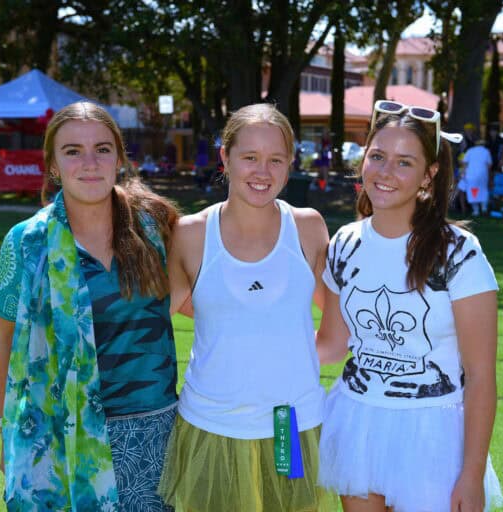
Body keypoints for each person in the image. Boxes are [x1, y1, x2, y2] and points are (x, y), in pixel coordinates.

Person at [0, 102, 179, 511]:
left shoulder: (156, 226)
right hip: (59, 433)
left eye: (103, 149)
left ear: (119, 158)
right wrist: (9, 429)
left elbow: (205, 300)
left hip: (156, 434)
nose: (89, 163)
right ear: (53, 165)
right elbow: (0, 338)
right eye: (73, 150)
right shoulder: (26, 242)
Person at [316, 101, 503, 512]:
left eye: (404, 162)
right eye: (378, 156)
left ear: (429, 175)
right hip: (357, 421)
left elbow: (480, 376)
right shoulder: (343, 243)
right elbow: (331, 344)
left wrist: (471, 473)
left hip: (432, 433)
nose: (385, 173)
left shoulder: (458, 253)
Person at [158, 103, 335, 512]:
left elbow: (337, 331)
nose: (262, 172)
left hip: (293, 426)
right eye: (249, 158)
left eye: (275, 159)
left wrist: (285, 350)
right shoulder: (191, 234)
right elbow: (169, 310)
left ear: (291, 163)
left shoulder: (309, 227)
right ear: (225, 157)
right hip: (212, 426)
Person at [461, 138, 493, 216]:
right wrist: (489, 176)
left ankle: (476, 211)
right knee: (483, 191)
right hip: (483, 174)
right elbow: (489, 165)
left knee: (472, 192)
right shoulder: (486, 151)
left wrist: (463, 173)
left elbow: (464, 163)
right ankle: (484, 208)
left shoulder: (470, 151)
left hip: (471, 175)